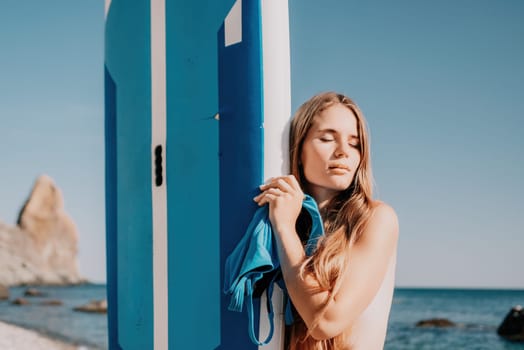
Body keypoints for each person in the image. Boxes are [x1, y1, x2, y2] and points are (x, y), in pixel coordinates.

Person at [253, 92, 399, 349]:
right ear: (298, 150)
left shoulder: (376, 219)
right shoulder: (281, 224)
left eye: (355, 143)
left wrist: (285, 227)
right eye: (327, 139)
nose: (343, 152)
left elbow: (325, 321)